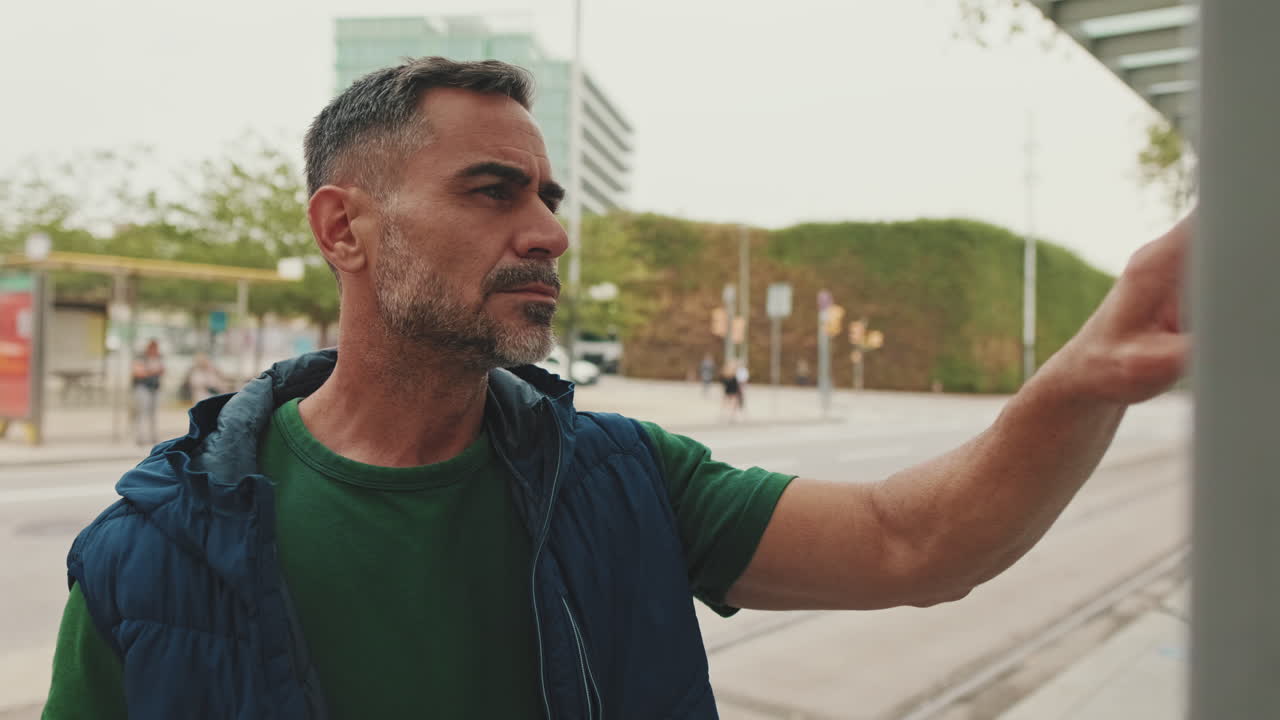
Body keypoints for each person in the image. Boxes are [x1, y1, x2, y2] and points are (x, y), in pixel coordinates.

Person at [41, 57, 1191, 719]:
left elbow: (912, 543)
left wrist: (1084, 378)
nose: (547, 230)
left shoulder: (623, 478)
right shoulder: (152, 550)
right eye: (492, 191)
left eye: (547, 195)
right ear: (344, 227)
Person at [129, 339, 164, 446]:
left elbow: (162, 370)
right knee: (141, 413)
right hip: (143, 387)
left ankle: (152, 435)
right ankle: (140, 436)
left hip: (154, 388)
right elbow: (139, 372)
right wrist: (152, 371)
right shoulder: (141, 357)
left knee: (153, 414)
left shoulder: (159, 357)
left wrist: (150, 371)